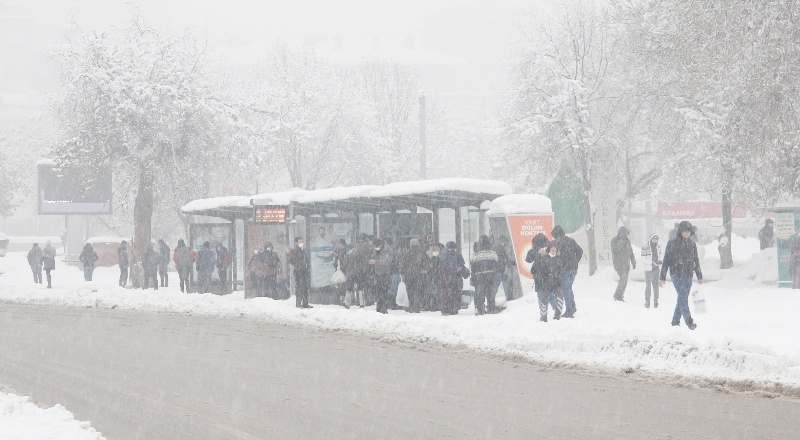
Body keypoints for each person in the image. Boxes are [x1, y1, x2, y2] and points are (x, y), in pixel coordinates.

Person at [660, 221, 703, 330]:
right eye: (685, 231)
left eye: (689, 231)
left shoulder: (692, 244)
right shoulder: (672, 243)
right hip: (676, 274)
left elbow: (696, 260)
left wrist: (699, 275)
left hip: (688, 275)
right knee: (683, 298)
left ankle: (675, 321)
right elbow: (666, 260)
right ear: (680, 231)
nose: (687, 233)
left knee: (682, 298)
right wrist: (662, 277)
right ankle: (689, 321)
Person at [551, 226, 583, 317]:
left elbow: (553, 256)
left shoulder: (555, 243)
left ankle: (569, 310)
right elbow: (580, 251)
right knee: (568, 288)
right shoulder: (571, 241)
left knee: (566, 289)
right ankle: (572, 307)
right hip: (573, 268)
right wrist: (575, 261)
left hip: (564, 269)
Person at [532, 241, 564, 321]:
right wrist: (543, 280)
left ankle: (557, 315)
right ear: (549, 250)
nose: (554, 252)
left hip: (556, 283)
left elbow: (561, 270)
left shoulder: (559, 259)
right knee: (544, 300)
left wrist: (558, 277)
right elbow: (540, 271)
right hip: (545, 283)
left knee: (560, 297)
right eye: (552, 250)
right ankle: (543, 317)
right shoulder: (544, 259)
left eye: (555, 250)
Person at [469, 235, 499, 315]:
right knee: (490, 293)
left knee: (480, 293)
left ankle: (480, 309)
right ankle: (491, 308)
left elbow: (472, 263)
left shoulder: (476, 252)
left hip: (480, 276)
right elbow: (496, 263)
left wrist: (474, 274)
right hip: (490, 275)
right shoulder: (492, 251)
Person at [400, 238, 430, 313]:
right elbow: (427, 262)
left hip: (409, 274)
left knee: (410, 291)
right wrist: (424, 269)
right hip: (419, 274)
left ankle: (411, 306)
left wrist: (402, 272)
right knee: (418, 291)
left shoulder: (407, 252)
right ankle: (416, 307)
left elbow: (402, 263)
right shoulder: (422, 252)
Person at [610, 226, 636, 301]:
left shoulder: (627, 241)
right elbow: (614, 254)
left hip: (626, 264)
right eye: (624, 233)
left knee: (624, 281)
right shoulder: (615, 241)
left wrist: (633, 261)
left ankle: (619, 295)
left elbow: (630, 252)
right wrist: (616, 264)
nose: (626, 235)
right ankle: (617, 295)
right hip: (619, 264)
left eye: (626, 233)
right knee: (623, 279)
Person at [438, 241, 464, 315]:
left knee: (445, 293)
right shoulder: (457, 254)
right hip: (455, 275)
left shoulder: (442, 254)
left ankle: (445, 310)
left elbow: (440, 264)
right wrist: (456, 268)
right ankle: (453, 309)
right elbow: (462, 263)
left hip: (445, 275)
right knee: (454, 292)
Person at [369, 238, 394, 314]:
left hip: (386, 272)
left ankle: (384, 307)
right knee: (378, 290)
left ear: (380, 244)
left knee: (384, 290)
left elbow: (387, 261)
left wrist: (376, 262)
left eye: (377, 246)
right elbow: (373, 256)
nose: (376, 248)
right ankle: (379, 306)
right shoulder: (375, 250)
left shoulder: (388, 249)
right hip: (377, 272)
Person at [288, 237, 312, 308]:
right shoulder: (295, 251)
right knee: (299, 287)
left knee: (305, 287)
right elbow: (291, 260)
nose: (301, 243)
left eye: (302, 242)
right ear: (296, 243)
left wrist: (307, 266)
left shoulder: (304, 250)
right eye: (300, 242)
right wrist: (298, 265)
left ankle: (305, 303)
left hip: (305, 271)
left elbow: (307, 259)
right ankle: (298, 303)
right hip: (298, 271)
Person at [640, 233, 662, 308]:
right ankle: (647, 301)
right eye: (654, 239)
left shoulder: (658, 247)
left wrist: (659, 261)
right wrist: (651, 263)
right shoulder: (645, 247)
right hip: (648, 270)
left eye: (656, 239)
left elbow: (660, 255)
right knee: (648, 286)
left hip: (656, 269)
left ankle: (656, 301)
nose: (655, 240)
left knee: (656, 286)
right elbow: (643, 259)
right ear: (650, 239)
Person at [493, 235, 516, 301]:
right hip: (498, 271)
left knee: (495, 287)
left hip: (497, 271)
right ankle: (510, 298)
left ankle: (491, 301)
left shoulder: (496, 248)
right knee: (508, 282)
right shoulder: (501, 248)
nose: (506, 243)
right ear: (503, 241)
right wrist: (514, 263)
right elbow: (506, 259)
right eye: (505, 241)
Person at [332, 239, 349, 307]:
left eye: (339, 244)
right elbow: (334, 261)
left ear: (342, 244)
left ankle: (343, 300)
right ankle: (340, 299)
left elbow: (345, 261)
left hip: (343, 270)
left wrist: (339, 263)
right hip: (338, 269)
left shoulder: (345, 251)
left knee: (343, 285)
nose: (337, 245)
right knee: (339, 285)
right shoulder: (336, 250)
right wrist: (335, 259)